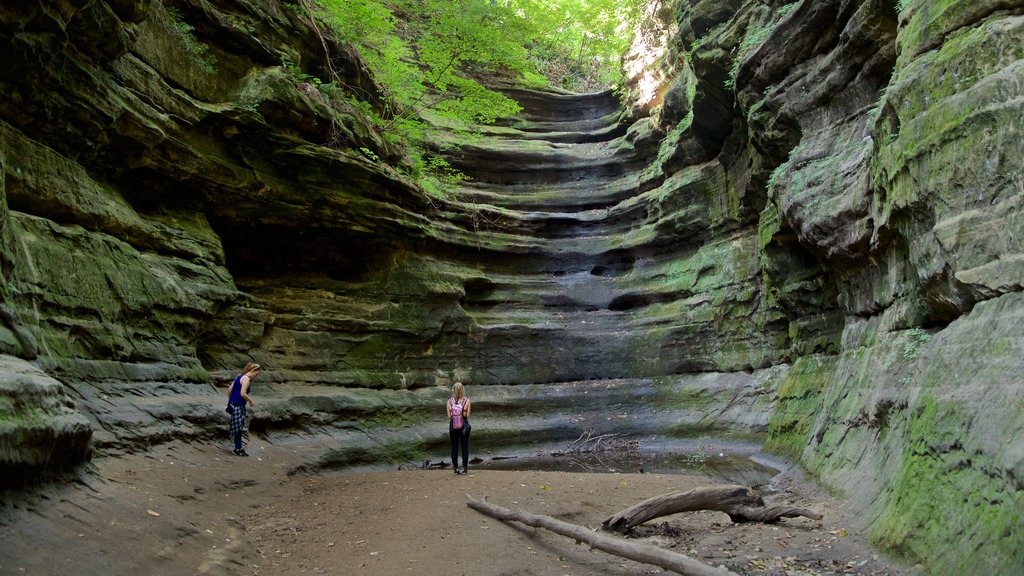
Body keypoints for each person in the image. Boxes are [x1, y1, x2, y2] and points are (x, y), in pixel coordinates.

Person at [227, 362, 261, 456]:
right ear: (253, 371)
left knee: (238, 425)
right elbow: (243, 393)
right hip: (239, 405)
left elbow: (229, 390)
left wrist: (230, 401)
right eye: (257, 374)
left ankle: (238, 448)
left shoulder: (239, 376)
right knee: (239, 426)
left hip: (232, 404)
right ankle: (238, 449)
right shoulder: (246, 379)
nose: (256, 376)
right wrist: (250, 401)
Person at [446, 382, 472, 475]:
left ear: (453, 390)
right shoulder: (467, 401)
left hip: (453, 425)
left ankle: (456, 469)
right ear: (462, 389)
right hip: (464, 425)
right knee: (464, 447)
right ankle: (465, 469)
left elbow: (449, 416)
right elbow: (468, 415)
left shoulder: (449, 402)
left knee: (454, 447)